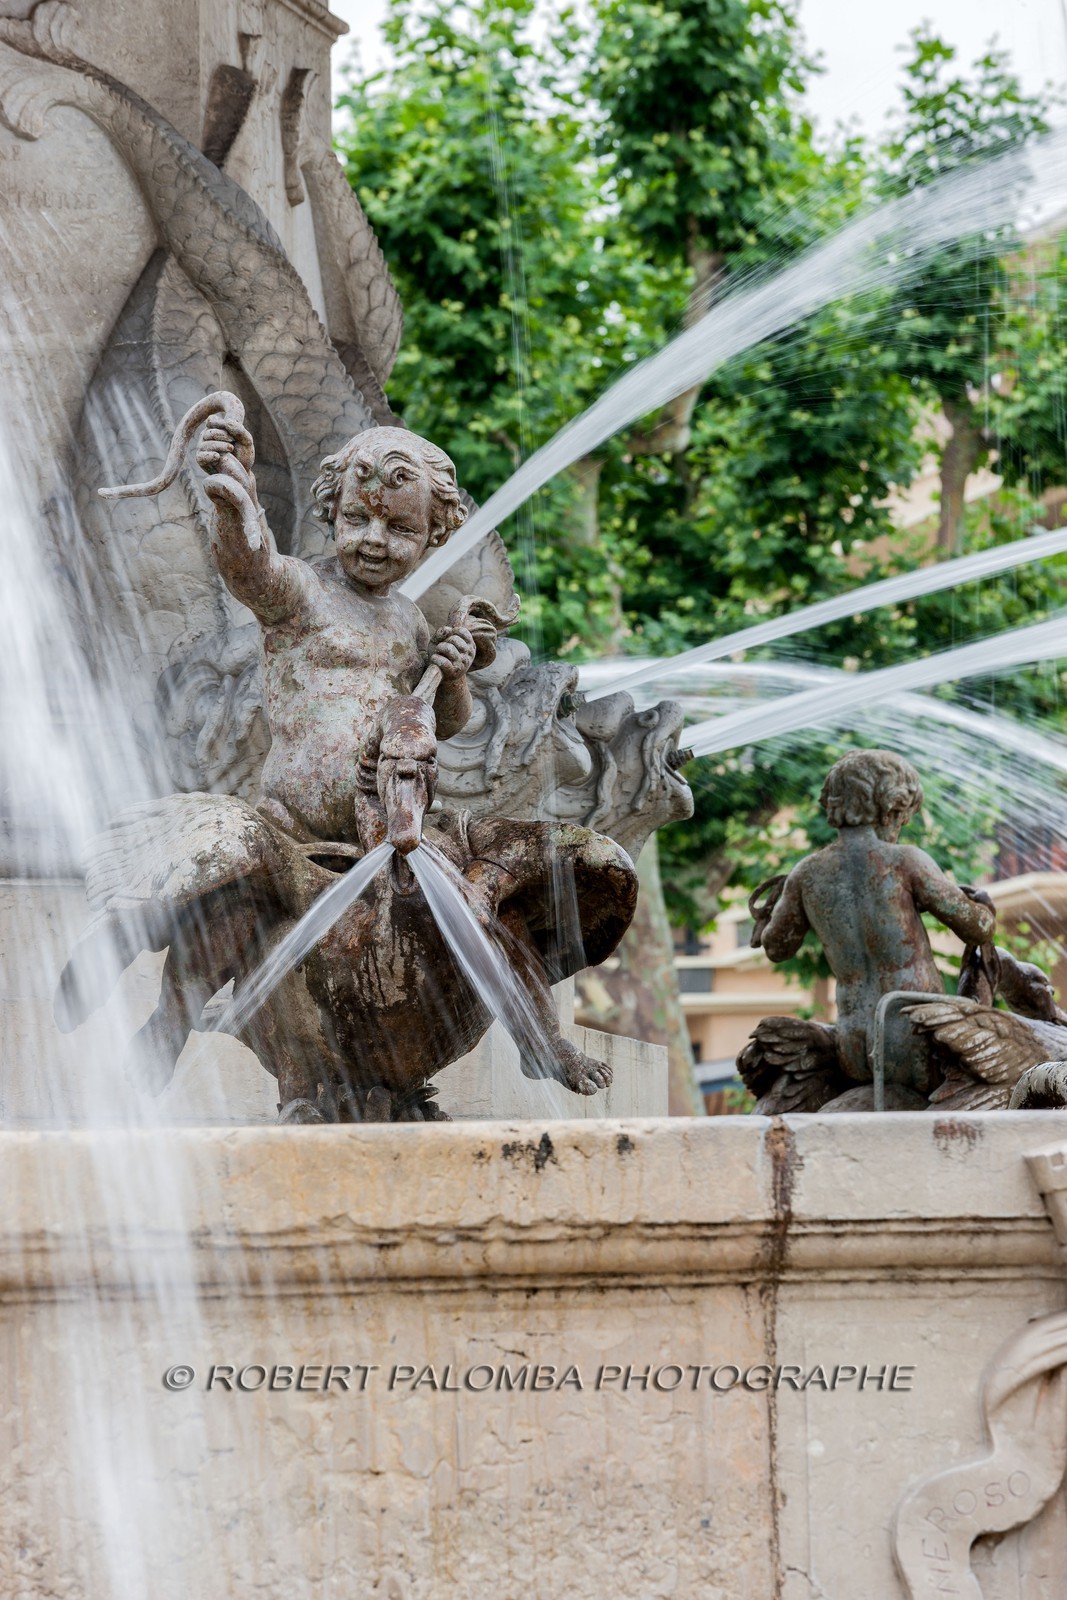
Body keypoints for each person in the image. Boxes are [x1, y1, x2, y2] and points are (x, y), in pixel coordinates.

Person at [195, 418, 478, 843]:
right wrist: (236, 494)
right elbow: (249, 571)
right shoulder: (305, 592)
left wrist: (453, 677)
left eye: (400, 528)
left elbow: (438, 724)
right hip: (294, 824)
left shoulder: (411, 620)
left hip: (388, 825)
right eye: (356, 518)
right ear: (333, 511)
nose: (375, 539)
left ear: (432, 534)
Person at [752, 749, 995, 1086]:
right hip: (918, 1035)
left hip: (854, 1041)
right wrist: (979, 904)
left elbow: (776, 947)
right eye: (902, 818)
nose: (900, 827)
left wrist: (766, 917)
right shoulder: (905, 861)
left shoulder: (805, 874)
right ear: (890, 808)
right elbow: (978, 929)